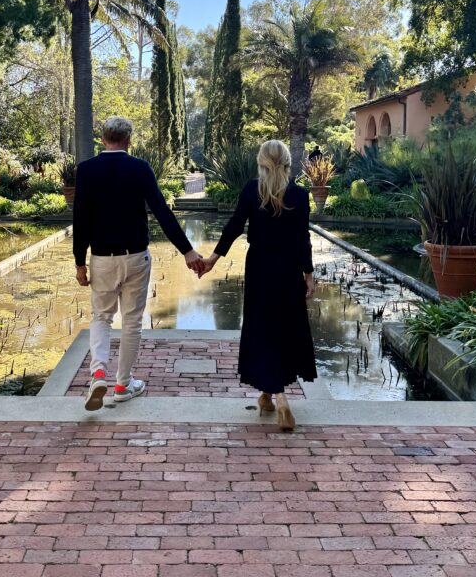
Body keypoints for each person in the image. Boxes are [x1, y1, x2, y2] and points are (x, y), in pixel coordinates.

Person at [73, 116, 204, 411]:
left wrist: (79, 262)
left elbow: (80, 218)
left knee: (101, 317)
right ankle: (122, 384)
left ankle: (97, 374)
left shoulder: (86, 170)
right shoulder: (140, 168)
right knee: (132, 322)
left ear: (102, 139)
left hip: (102, 259)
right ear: (128, 140)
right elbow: (161, 211)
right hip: (135, 257)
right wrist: (187, 251)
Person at [199, 139, 317, 431]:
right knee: (283, 330)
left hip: (260, 269)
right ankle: (268, 395)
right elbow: (303, 238)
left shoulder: (253, 190)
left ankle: (279, 397)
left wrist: (213, 258)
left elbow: (235, 225)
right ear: (288, 163)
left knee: (263, 330)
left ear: (261, 162)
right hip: (289, 270)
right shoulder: (300, 195)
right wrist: (309, 274)